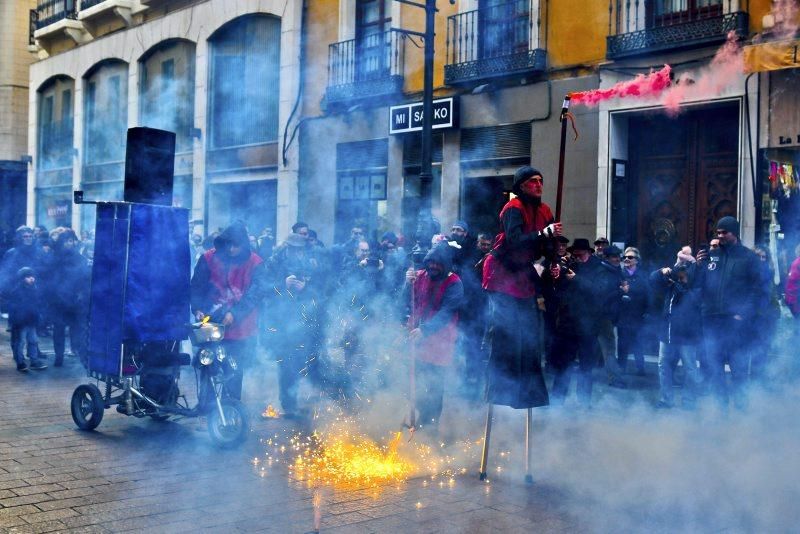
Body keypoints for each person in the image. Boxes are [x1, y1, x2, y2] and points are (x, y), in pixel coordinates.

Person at [482, 165, 560, 409]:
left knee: (528, 334)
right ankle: (501, 390)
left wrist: (552, 264)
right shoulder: (512, 208)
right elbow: (515, 241)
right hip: (502, 274)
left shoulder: (546, 210)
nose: (538, 185)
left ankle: (528, 393)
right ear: (521, 186)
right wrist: (543, 232)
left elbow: (549, 246)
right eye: (532, 181)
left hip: (524, 276)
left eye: (540, 181)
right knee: (507, 332)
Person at [191, 222, 267, 400]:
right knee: (208, 365)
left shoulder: (256, 263)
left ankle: (230, 409)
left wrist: (235, 313)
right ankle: (207, 408)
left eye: (236, 245)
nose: (232, 249)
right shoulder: (208, 258)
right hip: (211, 323)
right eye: (228, 244)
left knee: (233, 370)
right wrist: (197, 308)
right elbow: (196, 287)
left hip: (241, 326)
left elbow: (255, 294)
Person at [695, 216, 764, 409]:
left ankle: (741, 410)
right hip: (711, 322)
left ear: (734, 233)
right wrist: (699, 266)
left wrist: (743, 313)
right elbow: (697, 284)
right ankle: (721, 410)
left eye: (724, 232)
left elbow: (758, 289)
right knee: (715, 368)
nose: (720, 235)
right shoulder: (712, 256)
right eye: (718, 232)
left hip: (736, 325)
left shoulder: (748, 258)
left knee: (738, 368)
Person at [544, 239, 614, 407]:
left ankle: (584, 401)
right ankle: (557, 400)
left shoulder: (600, 269)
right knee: (563, 364)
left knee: (586, 367)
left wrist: (577, 279)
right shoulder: (570, 265)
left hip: (588, 326)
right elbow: (555, 287)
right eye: (574, 254)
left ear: (588, 253)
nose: (576, 257)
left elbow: (599, 291)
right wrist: (555, 272)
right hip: (568, 323)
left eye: (580, 255)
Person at [405, 243, 463, 432]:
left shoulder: (454, 283)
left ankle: (430, 428)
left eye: (438, 264)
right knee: (416, 382)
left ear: (446, 265)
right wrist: (407, 283)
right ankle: (417, 420)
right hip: (418, 339)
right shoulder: (420, 276)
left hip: (440, 343)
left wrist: (425, 330)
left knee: (435, 387)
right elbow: (405, 300)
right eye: (431, 263)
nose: (433, 267)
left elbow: (447, 313)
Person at [265, 232, 322, 417]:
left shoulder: (312, 264)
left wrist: (305, 289)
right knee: (286, 363)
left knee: (306, 361)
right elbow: (264, 289)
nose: (296, 252)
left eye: (299, 249)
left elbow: (321, 292)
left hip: (306, 320)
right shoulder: (274, 263)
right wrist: (282, 284)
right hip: (282, 321)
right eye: (292, 248)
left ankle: (305, 398)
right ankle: (288, 404)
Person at [650, 248, 701, 409]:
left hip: (687, 334)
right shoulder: (673, 278)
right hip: (668, 332)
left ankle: (688, 401)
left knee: (690, 369)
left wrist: (681, 288)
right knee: (663, 366)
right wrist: (663, 271)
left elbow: (695, 300)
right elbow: (653, 279)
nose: (681, 276)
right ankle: (666, 400)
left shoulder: (697, 278)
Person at [46, 228, 90, 367]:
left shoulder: (80, 258)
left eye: (71, 240)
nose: (69, 243)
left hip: (76, 300)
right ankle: (59, 357)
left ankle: (82, 357)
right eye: (66, 241)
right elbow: (50, 278)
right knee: (58, 329)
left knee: (78, 329)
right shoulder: (54, 258)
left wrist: (82, 293)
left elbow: (86, 278)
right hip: (59, 301)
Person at [617, 246, 650, 376]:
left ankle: (640, 368)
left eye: (630, 257)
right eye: (625, 257)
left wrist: (647, 311)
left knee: (638, 342)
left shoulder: (643, 276)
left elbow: (647, 294)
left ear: (637, 260)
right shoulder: (619, 274)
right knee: (622, 343)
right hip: (623, 315)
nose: (626, 259)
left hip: (638, 315)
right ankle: (621, 368)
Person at [7, 267, 47, 371]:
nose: (32, 279)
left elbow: (38, 304)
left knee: (33, 341)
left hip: (31, 320)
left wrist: (38, 316)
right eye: (28, 277)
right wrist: (15, 321)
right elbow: (12, 308)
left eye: (32, 276)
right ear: (22, 278)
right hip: (20, 322)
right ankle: (20, 363)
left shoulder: (35, 289)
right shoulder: (16, 291)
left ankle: (34, 361)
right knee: (20, 342)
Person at [597, 245, 626, 388]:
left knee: (608, 347)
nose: (617, 259)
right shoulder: (603, 272)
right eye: (614, 256)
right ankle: (614, 377)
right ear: (607, 258)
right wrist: (621, 291)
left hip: (611, 315)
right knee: (609, 348)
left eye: (618, 256)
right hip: (603, 316)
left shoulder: (615, 271)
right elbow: (602, 297)